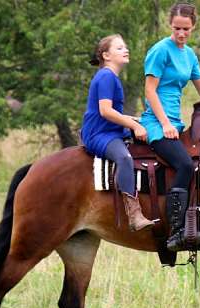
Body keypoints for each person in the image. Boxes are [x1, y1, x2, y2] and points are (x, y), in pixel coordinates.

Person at [141, 3, 200, 251]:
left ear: (194, 26)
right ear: (170, 25)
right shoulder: (160, 50)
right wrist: (163, 124)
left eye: (186, 29)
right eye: (176, 28)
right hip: (157, 122)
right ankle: (176, 231)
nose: (181, 33)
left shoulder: (189, 54)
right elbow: (150, 90)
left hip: (176, 123)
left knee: (198, 161)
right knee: (184, 164)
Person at [81, 34, 154, 231]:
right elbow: (105, 111)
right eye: (120, 48)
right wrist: (135, 126)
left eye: (125, 47)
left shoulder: (112, 77)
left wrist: (136, 120)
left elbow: (114, 112)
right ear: (106, 55)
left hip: (112, 130)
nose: (126, 50)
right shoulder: (106, 76)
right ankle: (134, 214)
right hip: (99, 134)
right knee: (124, 159)